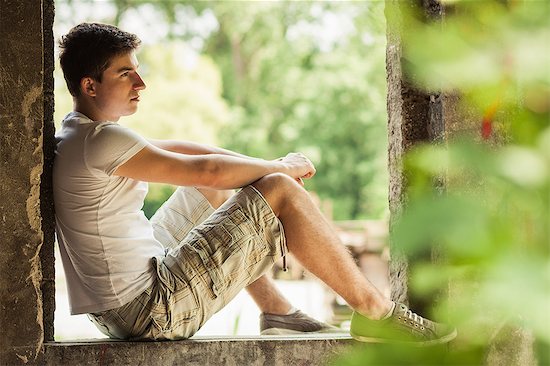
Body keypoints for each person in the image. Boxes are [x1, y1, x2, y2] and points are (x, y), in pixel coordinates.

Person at [53, 22, 456, 344]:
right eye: (126, 74)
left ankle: (277, 311)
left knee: (213, 190)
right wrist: (280, 170)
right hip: (148, 309)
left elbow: (194, 156)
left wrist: (265, 165)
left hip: (119, 306)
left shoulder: (80, 133)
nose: (140, 84)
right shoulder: (101, 140)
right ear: (90, 86)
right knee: (279, 191)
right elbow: (209, 170)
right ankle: (375, 312)